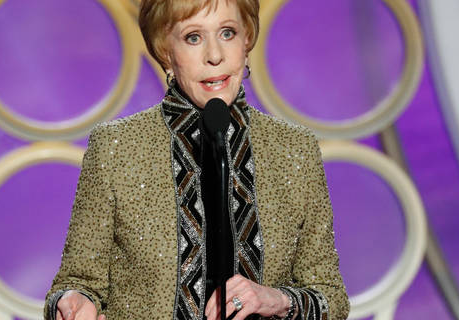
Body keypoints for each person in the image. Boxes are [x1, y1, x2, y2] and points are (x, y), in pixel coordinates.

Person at [44, 0, 349, 319]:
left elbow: (331, 297)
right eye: (193, 37)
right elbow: (77, 283)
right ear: (165, 51)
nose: (215, 55)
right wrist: (72, 302)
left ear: (246, 40)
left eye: (228, 33)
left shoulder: (294, 148)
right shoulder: (116, 147)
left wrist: (276, 299)